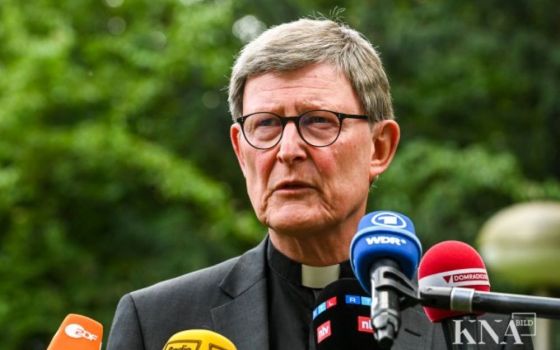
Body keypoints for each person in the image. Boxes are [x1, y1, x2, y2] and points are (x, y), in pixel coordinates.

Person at [107, 18, 532, 350]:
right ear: (241, 150)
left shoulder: (478, 328)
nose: (288, 149)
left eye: (318, 121)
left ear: (380, 147)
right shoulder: (158, 322)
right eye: (267, 125)